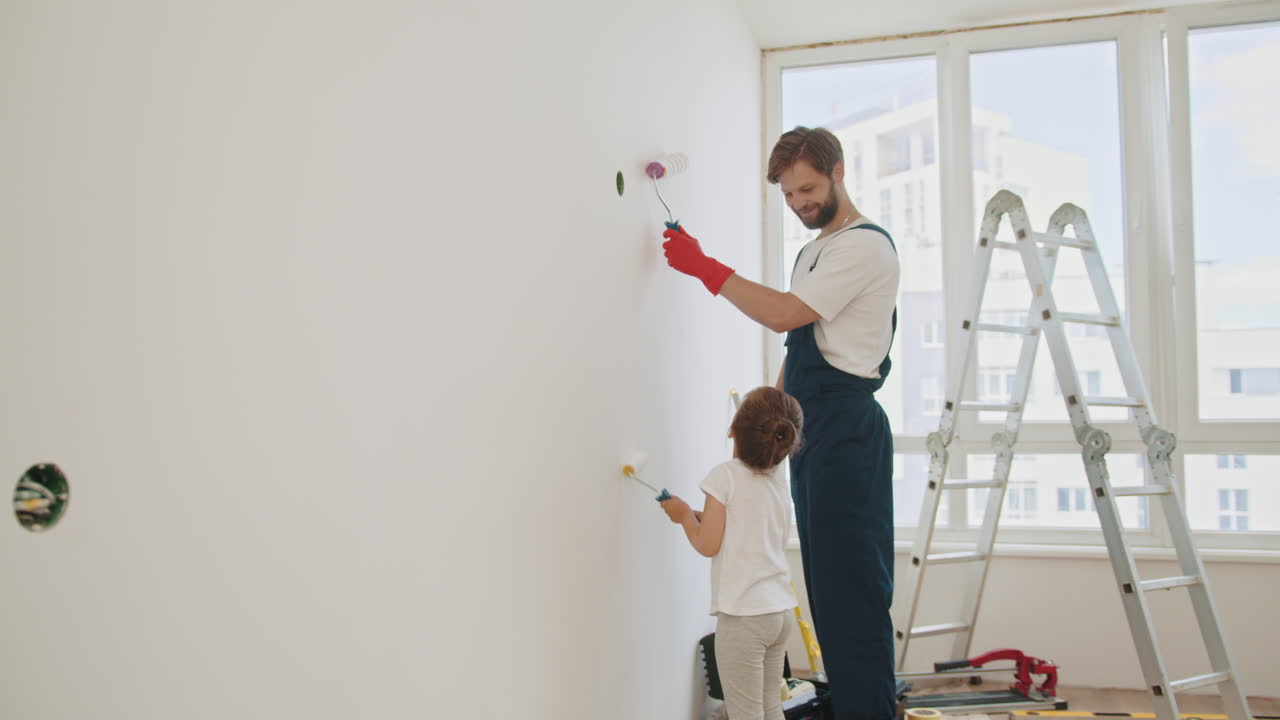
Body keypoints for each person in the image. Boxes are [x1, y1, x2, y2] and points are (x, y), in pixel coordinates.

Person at [660, 126, 900, 720]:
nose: (799, 204)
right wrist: (769, 430)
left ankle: (869, 711)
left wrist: (705, 268)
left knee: (854, 593)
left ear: (839, 171)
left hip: (847, 429)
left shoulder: (863, 246)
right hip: (813, 429)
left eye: (808, 189)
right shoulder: (816, 248)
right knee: (824, 586)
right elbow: (802, 344)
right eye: (789, 195)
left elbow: (786, 314)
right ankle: (849, 704)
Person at [660, 386, 805, 720]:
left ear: (732, 430)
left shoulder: (724, 477)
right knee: (770, 708)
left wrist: (683, 517)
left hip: (745, 618)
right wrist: (704, 516)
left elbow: (707, 545)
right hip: (778, 611)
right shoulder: (776, 479)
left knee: (746, 714)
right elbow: (746, 527)